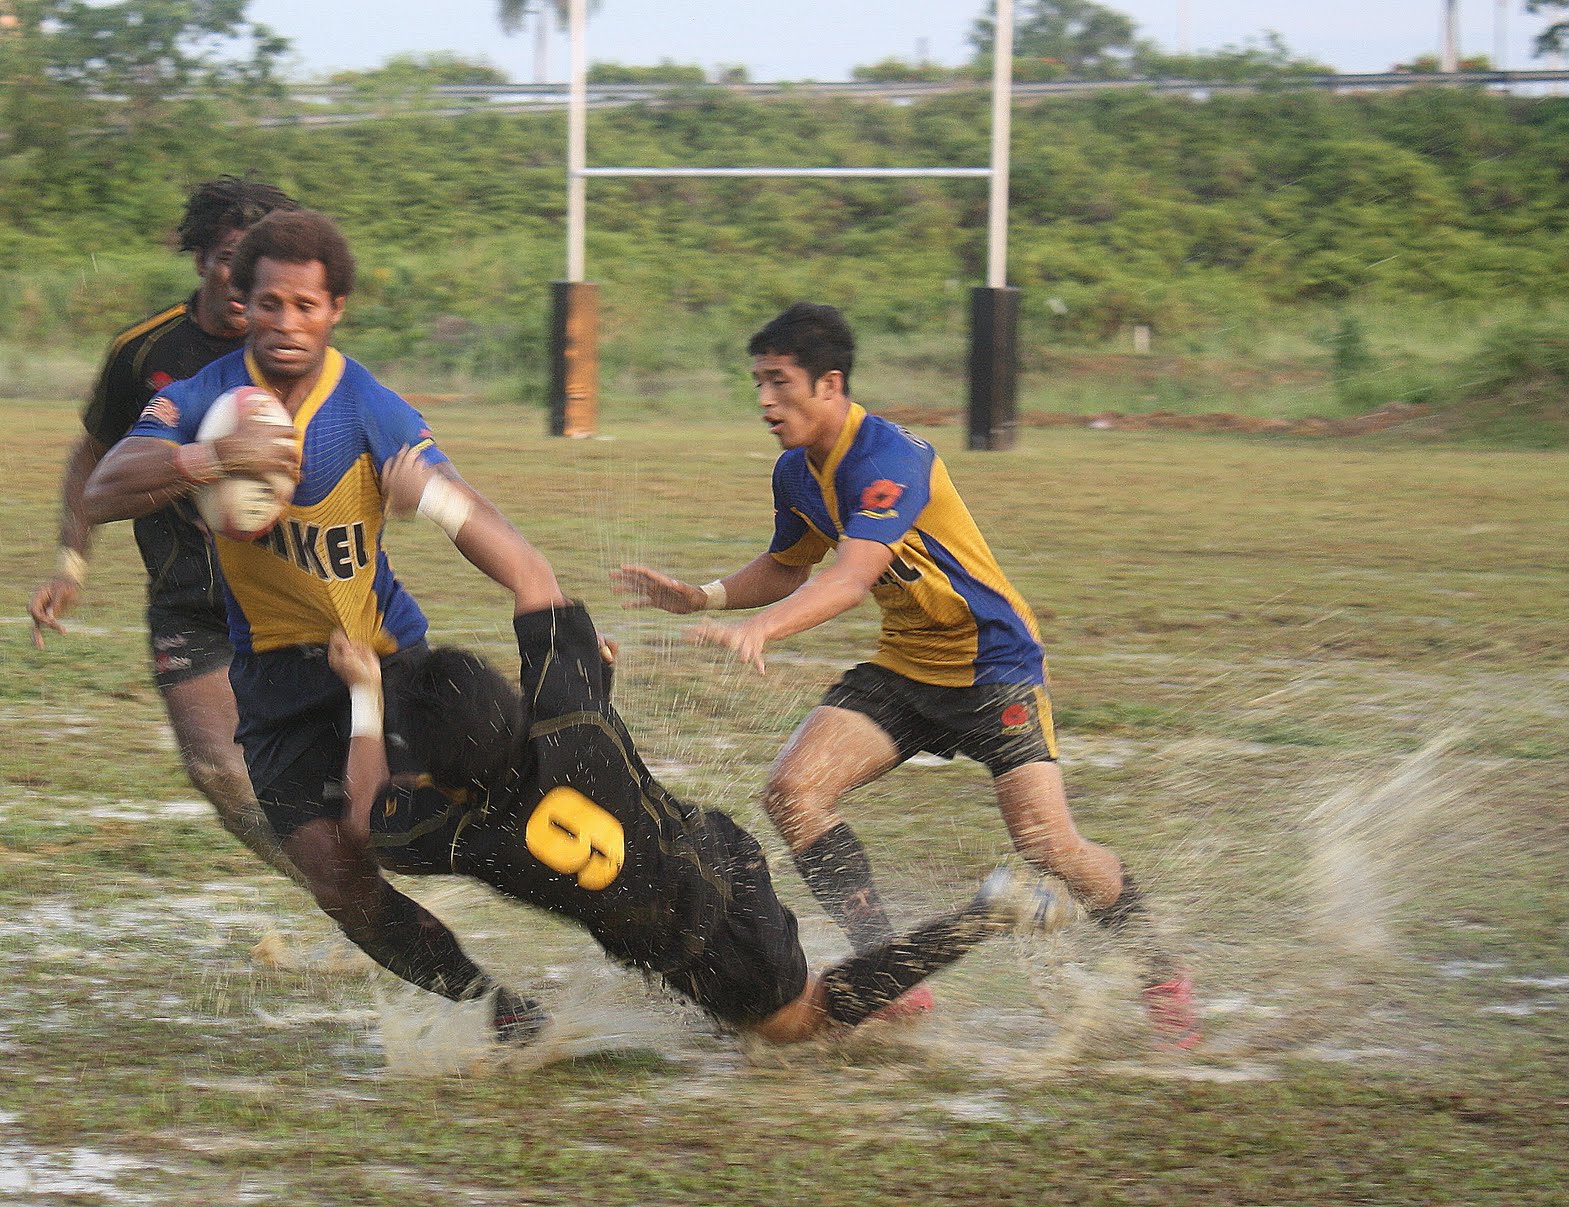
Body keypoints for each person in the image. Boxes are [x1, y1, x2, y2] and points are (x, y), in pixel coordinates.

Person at [324, 445, 1071, 1044]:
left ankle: (984, 913)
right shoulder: (568, 719)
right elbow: (530, 574)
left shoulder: (468, 837)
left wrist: (364, 694)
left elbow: (360, 821)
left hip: (704, 945)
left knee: (800, 1023)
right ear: (510, 702)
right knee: (726, 1008)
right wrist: (433, 495)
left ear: (435, 777)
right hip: (720, 852)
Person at [612, 302, 1198, 1049]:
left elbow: (853, 576)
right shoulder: (797, 471)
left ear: (830, 383)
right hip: (907, 663)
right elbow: (790, 563)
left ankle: (1159, 972)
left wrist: (765, 627)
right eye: (757, 382)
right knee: (794, 791)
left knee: (1049, 846)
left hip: (992, 663)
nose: (764, 400)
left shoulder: (890, 458)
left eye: (778, 382)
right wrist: (708, 596)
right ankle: (893, 975)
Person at [82, 209, 547, 1040]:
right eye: (270, 304)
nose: (286, 324)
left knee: (441, 828)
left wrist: (543, 605)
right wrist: (211, 459)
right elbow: (105, 486)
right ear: (243, 302)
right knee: (339, 880)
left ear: (335, 309)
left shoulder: (368, 406)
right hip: (275, 685)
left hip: (387, 657)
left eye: (305, 305)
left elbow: (474, 514)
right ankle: (501, 1011)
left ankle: (635, 917)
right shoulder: (202, 397)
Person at [29, 177, 301, 879]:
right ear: (201, 260)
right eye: (228, 260)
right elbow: (92, 455)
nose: (242, 281)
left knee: (343, 762)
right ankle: (345, 900)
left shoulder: (297, 350)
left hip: (292, 592)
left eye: (259, 267)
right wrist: (71, 562)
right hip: (190, 599)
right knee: (221, 772)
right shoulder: (143, 352)